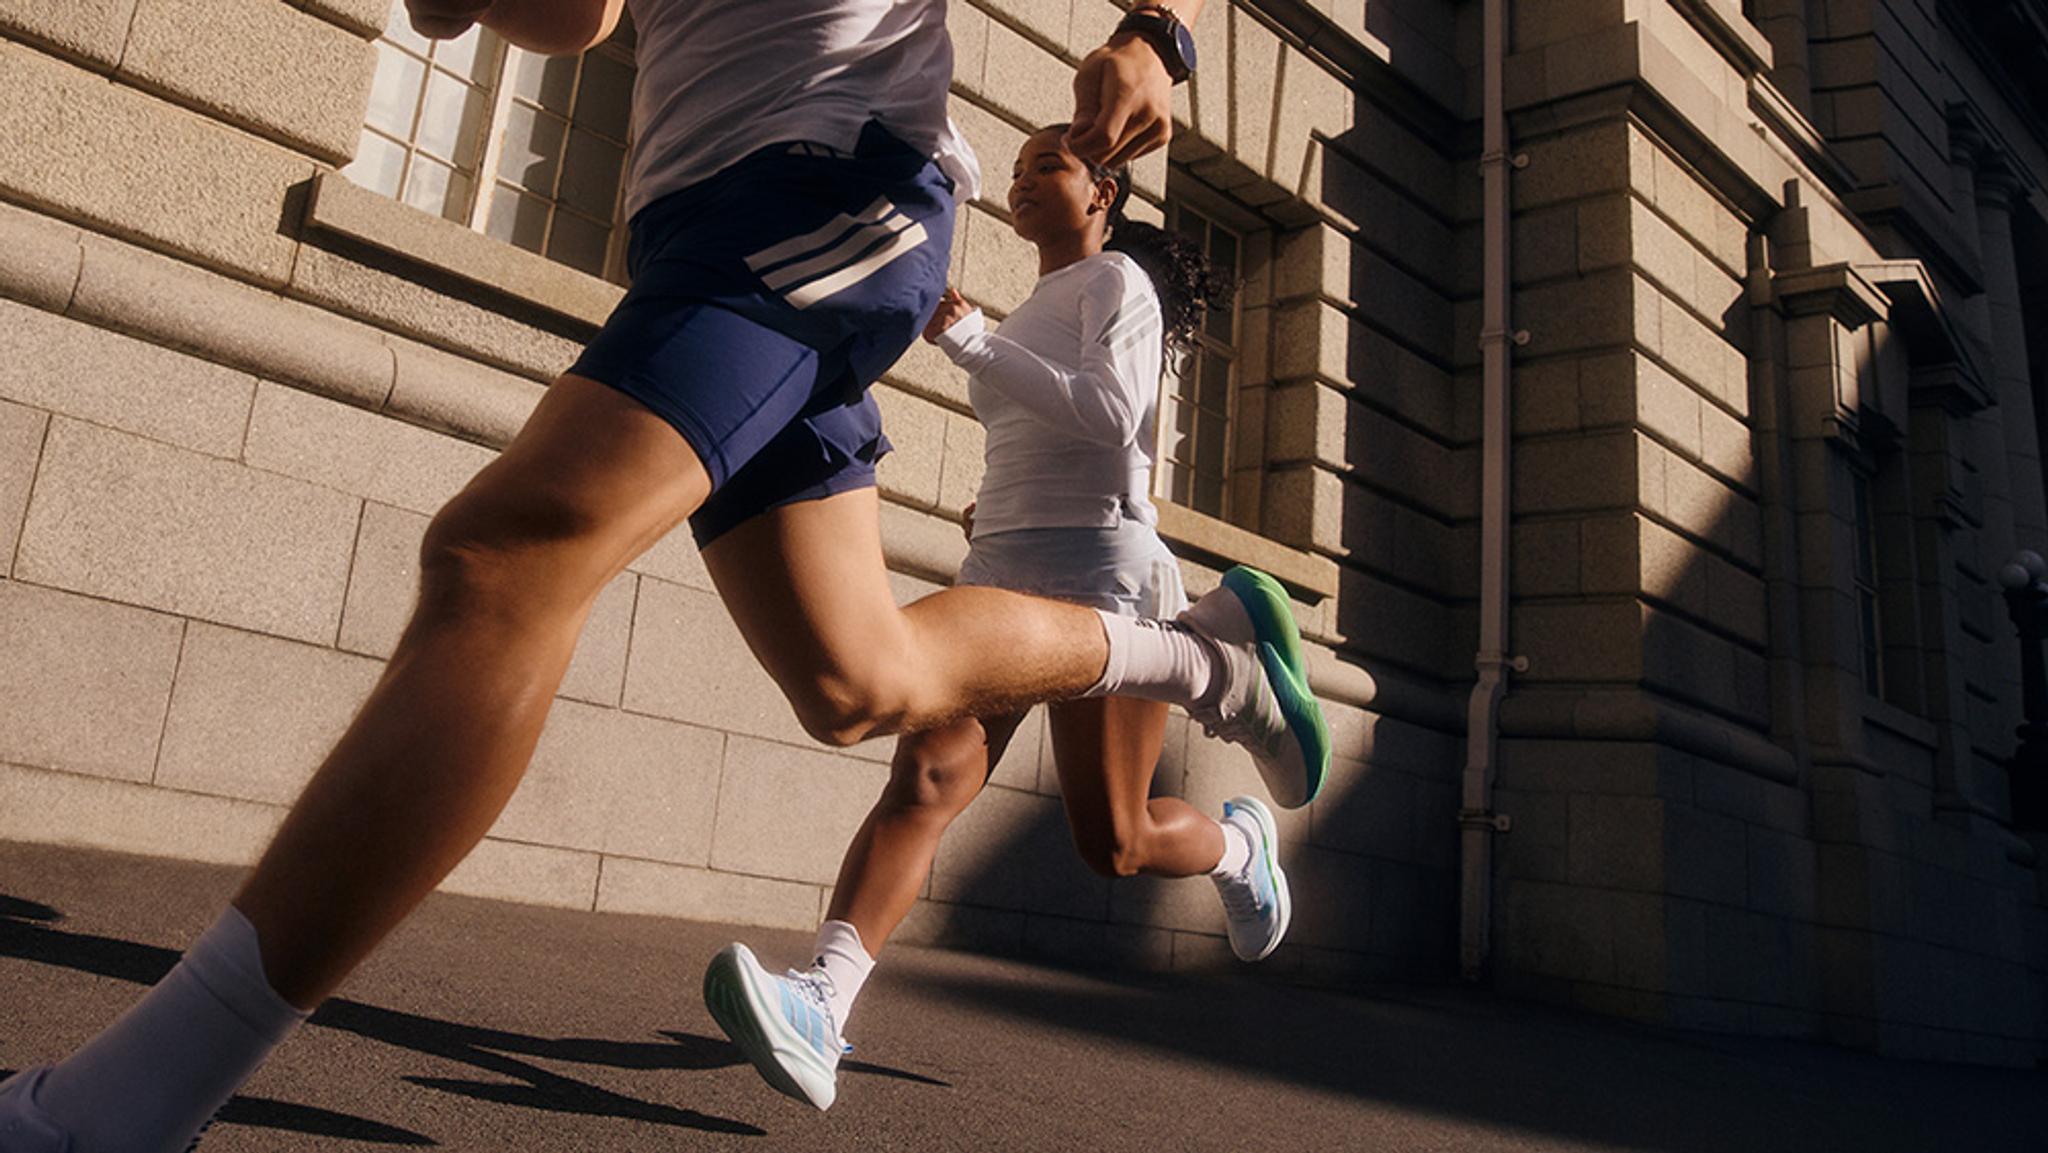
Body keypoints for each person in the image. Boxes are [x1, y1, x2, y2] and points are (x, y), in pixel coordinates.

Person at [0, 1, 1329, 1149]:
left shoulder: (1110, 294)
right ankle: (1208, 658)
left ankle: (109, 1114)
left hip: (830, 179)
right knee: (858, 680)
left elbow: (1104, 403)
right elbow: (580, 16)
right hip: (703, 213)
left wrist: (1162, 30)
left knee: (506, 553)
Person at [702, 125, 1312, 1112]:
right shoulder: (1034, 301)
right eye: (1021, 168)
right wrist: (995, 500)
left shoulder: (1118, 285)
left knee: (1111, 841)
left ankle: (1239, 849)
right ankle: (820, 1001)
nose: (1025, 180)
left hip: (1104, 582)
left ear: (1102, 193)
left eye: (1050, 166)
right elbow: (1034, 430)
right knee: (929, 774)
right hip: (1004, 565)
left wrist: (968, 339)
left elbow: (1112, 416)